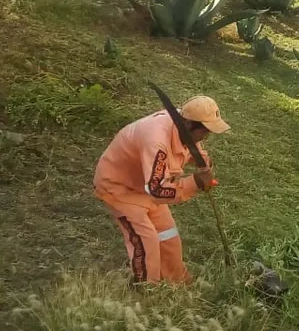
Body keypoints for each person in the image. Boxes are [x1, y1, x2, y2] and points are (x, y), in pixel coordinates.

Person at [93, 96, 228, 284]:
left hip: (143, 185)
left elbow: (189, 147)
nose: (206, 136)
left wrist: (203, 162)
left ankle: (177, 285)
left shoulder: (181, 128)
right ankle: (148, 290)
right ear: (189, 124)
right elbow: (156, 190)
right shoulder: (156, 140)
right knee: (146, 241)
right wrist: (195, 183)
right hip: (119, 187)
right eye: (205, 131)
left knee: (168, 235)